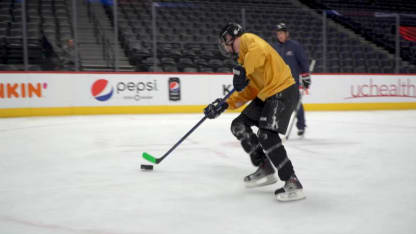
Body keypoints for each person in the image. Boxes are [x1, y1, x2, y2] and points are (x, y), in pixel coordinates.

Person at [204, 23, 305, 201]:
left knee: (266, 135)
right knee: (239, 125)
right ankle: (265, 167)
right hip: (267, 93)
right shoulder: (243, 59)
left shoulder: (249, 40)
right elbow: (250, 90)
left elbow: (260, 51)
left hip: (282, 89)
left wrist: (244, 71)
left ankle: (292, 181)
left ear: (232, 37)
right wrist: (225, 104)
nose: (226, 46)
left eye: (226, 41)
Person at [272, 23, 311, 137]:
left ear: (287, 34)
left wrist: (306, 77)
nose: (280, 35)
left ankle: (301, 125)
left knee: (296, 104)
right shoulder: (274, 48)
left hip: (292, 82)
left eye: (282, 33)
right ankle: (277, 126)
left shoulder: (295, 46)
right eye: (278, 33)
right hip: (278, 83)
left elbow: (303, 62)